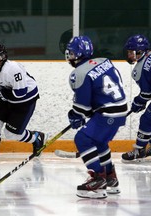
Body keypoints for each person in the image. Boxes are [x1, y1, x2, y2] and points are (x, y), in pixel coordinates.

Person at [65, 36, 128, 199]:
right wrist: (84, 114)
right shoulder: (104, 61)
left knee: (82, 139)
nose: (69, 56)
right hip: (120, 109)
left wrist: (75, 116)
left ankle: (97, 180)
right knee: (99, 142)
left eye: (71, 52)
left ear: (77, 53)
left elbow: (82, 106)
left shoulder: (78, 72)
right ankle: (111, 178)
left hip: (107, 113)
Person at [121, 34, 151, 162]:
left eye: (131, 52)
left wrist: (138, 102)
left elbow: (147, 93)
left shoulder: (141, 68)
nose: (129, 56)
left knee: (146, 120)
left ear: (140, 51)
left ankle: (139, 150)